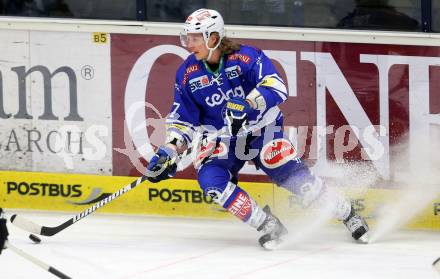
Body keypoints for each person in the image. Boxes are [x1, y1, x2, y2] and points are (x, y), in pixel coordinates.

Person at [146, 8, 369, 249]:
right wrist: (169, 151)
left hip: (263, 129)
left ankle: (347, 214)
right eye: (187, 38)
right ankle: (267, 224)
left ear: (213, 38)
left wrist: (250, 103)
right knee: (211, 181)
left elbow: (276, 87)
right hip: (224, 139)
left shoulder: (247, 58)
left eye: (195, 38)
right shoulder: (187, 74)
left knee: (293, 177)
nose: (189, 44)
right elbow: (184, 120)